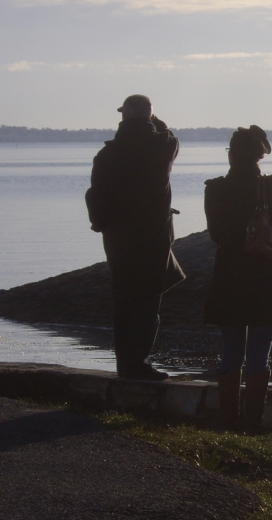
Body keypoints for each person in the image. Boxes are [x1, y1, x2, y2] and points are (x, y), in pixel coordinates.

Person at [203, 126, 272, 432]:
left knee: (231, 346)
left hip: (229, 275)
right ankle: (253, 421)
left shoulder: (215, 189)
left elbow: (217, 234)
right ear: (259, 156)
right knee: (260, 348)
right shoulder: (266, 188)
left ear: (232, 155)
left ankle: (228, 418)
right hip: (264, 276)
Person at [85, 94, 185, 381]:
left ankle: (125, 364)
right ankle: (137, 362)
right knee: (148, 301)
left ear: (124, 117)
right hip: (154, 236)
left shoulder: (108, 155)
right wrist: (152, 119)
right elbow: (169, 134)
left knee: (124, 301)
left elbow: (96, 195)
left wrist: (100, 224)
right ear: (150, 117)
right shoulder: (163, 146)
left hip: (119, 238)